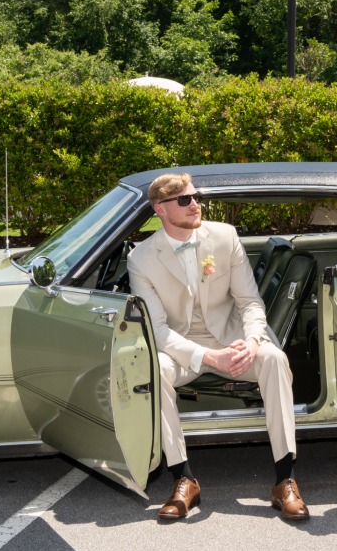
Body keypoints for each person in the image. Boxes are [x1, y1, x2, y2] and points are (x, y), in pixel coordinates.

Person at [128, 172, 308, 522]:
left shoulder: (224, 237)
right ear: (160, 209)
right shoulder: (142, 258)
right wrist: (209, 357)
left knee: (274, 359)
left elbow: (250, 302)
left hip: (233, 340)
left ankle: (284, 479)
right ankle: (184, 478)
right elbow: (158, 330)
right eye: (184, 200)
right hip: (183, 350)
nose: (194, 204)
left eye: (195, 197)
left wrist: (253, 342)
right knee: (155, 369)